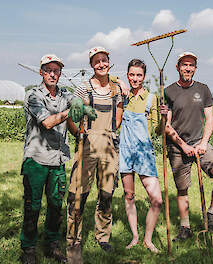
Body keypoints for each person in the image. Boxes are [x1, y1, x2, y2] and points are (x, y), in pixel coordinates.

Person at [19, 54, 94, 264]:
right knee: (32, 206)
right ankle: (28, 249)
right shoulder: (33, 95)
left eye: (56, 70)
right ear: (41, 72)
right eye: (48, 70)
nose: (53, 74)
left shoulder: (64, 94)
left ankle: (51, 245)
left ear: (60, 73)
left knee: (55, 206)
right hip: (36, 159)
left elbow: (79, 101)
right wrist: (71, 111)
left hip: (58, 159)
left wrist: (82, 105)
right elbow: (48, 122)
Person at [66, 46, 129, 263]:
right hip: (87, 146)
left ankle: (103, 236)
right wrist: (80, 135)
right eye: (96, 61)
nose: (101, 64)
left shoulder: (116, 89)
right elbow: (71, 118)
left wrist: (110, 130)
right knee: (78, 196)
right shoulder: (84, 89)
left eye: (104, 60)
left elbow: (119, 111)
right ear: (91, 65)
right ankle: (74, 240)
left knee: (106, 194)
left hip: (109, 146)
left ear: (109, 62)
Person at [162, 52, 213, 241]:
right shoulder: (168, 92)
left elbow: (210, 119)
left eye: (191, 65)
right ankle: (185, 227)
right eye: (184, 65)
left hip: (200, 143)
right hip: (178, 146)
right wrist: (183, 145)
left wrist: (204, 143)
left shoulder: (204, 89)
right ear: (177, 67)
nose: (188, 68)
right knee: (182, 188)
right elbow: (166, 126)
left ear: (195, 68)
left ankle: (212, 214)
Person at [119, 59, 163, 253]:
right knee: (129, 195)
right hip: (125, 151)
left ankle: (148, 239)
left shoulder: (152, 99)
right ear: (127, 75)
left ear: (144, 77)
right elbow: (106, 76)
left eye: (138, 75)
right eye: (131, 74)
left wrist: (165, 118)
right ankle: (135, 237)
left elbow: (158, 130)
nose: (135, 78)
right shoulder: (123, 96)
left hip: (144, 152)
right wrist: (119, 82)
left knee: (156, 200)